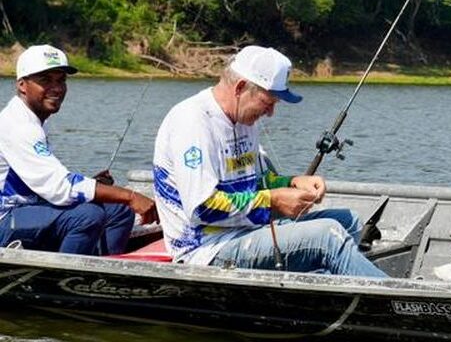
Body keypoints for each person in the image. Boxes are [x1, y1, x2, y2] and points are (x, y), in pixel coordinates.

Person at [152, 45, 385, 276]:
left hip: (247, 231)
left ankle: (332, 295)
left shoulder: (244, 120)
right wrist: (273, 201)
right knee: (328, 236)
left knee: (348, 221)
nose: (271, 113)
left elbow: (262, 182)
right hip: (207, 249)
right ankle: (393, 304)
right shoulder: (192, 122)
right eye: (268, 102)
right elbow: (202, 208)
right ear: (241, 87)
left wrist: (292, 183)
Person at [0, 44, 158, 255]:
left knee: (119, 211)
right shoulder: (18, 126)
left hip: (28, 208)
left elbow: (47, 182)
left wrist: (98, 187)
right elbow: (59, 187)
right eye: (45, 80)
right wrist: (129, 195)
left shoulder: (36, 121)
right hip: (6, 217)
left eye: (61, 80)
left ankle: (104, 274)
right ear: (22, 85)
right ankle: (64, 279)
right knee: (88, 215)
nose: (56, 88)